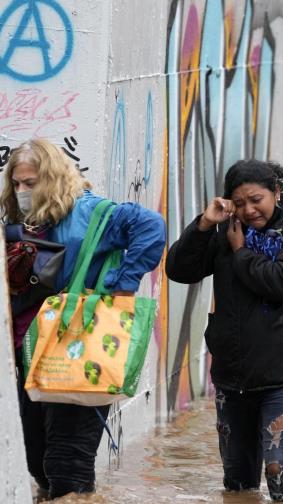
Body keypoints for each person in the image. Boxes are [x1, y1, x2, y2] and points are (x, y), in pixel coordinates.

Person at [2, 138, 165, 499]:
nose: (22, 191)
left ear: (52, 178)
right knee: (35, 459)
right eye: (16, 183)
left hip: (79, 348)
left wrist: (123, 284)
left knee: (67, 465)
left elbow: (151, 225)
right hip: (30, 355)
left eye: (30, 183)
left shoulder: (89, 212)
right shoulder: (21, 221)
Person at [166, 160, 283, 501]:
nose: (249, 210)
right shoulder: (226, 230)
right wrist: (205, 224)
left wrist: (240, 252)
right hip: (234, 375)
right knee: (238, 486)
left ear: (276, 193)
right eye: (239, 203)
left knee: (280, 475)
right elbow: (179, 269)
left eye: (256, 199)